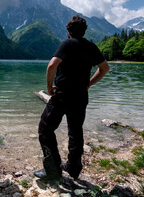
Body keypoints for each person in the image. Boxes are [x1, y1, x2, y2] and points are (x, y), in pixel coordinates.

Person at [34, 15, 110, 181]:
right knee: (75, 132)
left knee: (45, 129)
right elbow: (104, 68)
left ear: (68, 31)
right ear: (84, 31)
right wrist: (89, 83)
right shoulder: (91, 46)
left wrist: (48, 87)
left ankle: (53, 169)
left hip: (63, 95)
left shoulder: (68, 43)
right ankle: (73, 169)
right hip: (81, 95)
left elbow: (52, 65)